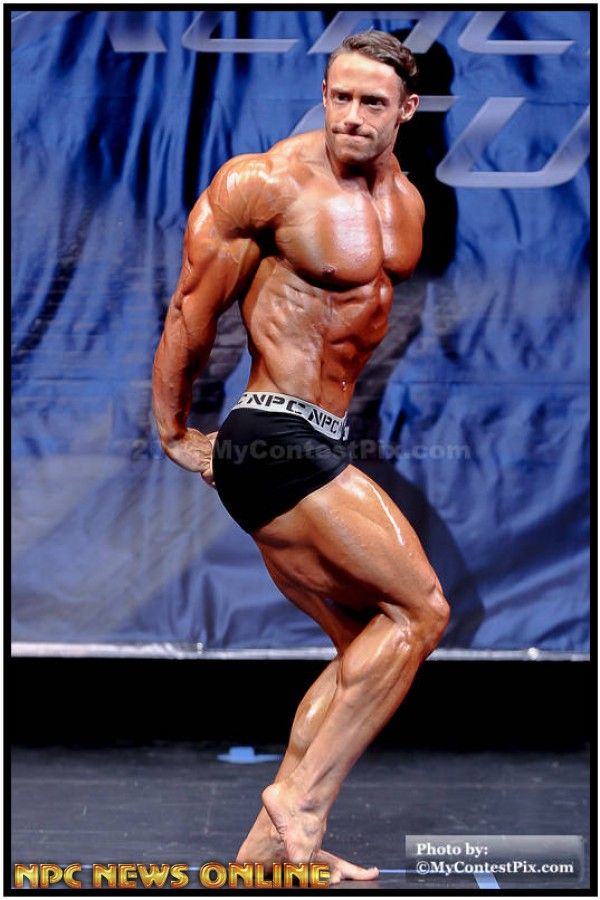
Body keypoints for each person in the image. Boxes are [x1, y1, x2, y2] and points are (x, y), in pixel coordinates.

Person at [152, 30, 450, 884]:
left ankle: (264, 855)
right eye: (339, 96)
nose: (351, 115)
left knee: (369, 648)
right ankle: (303, 802)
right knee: (422, 611)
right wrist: (172, 429)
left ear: (406, 110)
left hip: (322, 437)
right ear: (323, 95)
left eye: (371, 102)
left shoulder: (408, 203)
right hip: (270, 434)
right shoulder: (267, 182)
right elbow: (191, 308)